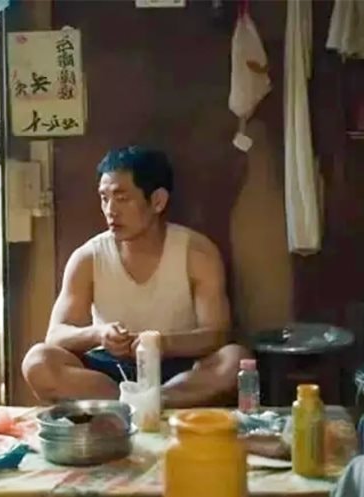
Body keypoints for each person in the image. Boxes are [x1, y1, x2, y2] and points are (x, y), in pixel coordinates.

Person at [22, 146, 249, 408]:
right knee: (38, 361)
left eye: (122, 198)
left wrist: (163, 343)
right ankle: (127, 402)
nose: (110, 210)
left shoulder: (197, 253)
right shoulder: (88, 257)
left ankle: (155, 401)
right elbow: (56, 335)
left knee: (235, 359)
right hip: (109, 371)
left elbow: (217, 334)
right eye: (104, 198)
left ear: (158, 201)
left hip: (178, 369)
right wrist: (99, 334)